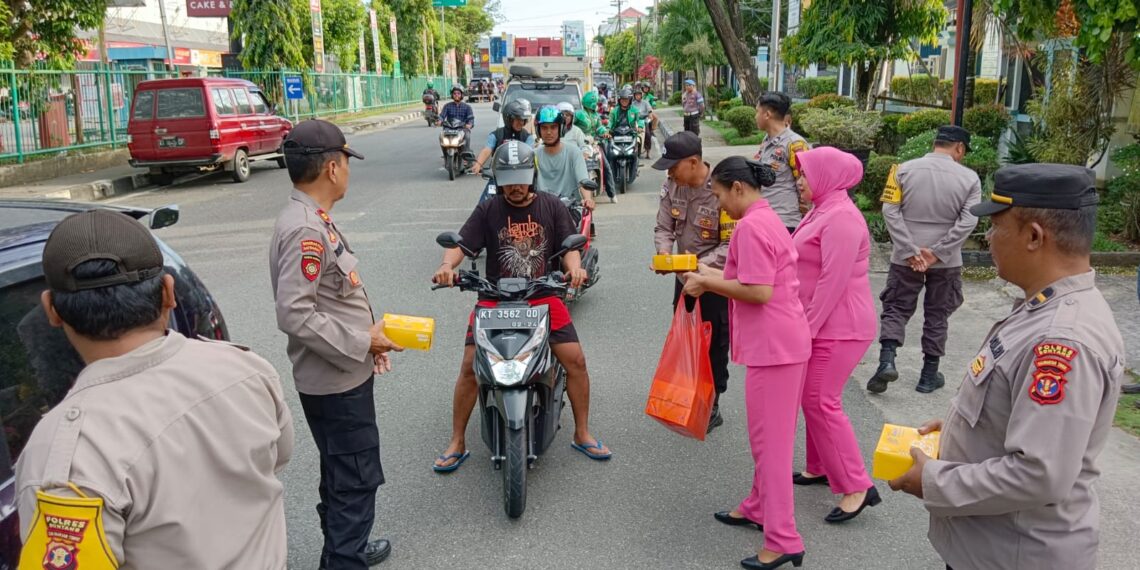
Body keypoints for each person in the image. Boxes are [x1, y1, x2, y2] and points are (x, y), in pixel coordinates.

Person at [16, 209, 294, 568]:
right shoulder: (247, 371)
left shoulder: (67, 457)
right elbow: (277, 457)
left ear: (51, 310)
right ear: (168, 292)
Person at [888, 164, 1123, 570]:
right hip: (993, 547)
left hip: (1016, 554)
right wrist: (967, 431)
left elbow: (1039, 474)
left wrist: (932, 480)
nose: (989, 239)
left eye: (996, 228)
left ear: (1034, 236)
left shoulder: (1061, 339)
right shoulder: (1042, 307)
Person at [431, 140, 611, 471]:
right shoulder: (489, 209)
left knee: (576, 360)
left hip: (541, 295)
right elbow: (463, 244)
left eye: (521, 178)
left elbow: (569, 246)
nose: (514, 186)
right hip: (494, 298)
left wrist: (574, 269)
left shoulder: (552, 206)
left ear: (532, 176)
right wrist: (447, 266)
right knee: (471, 366)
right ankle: (457, 440)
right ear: (498, 178)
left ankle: (582, 432)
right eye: (508, 179)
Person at [270, 120, 402, 569]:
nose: (348, 170)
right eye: (346, 160)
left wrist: (368, 342)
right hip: (336, 384)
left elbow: (331, 298)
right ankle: (344, 558)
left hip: (340, 373)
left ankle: (345, 547)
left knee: (341, 473)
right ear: (331, 167)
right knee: (356, 481)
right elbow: (295, 313)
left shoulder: (313, 219)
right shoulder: (305, 230)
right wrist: (361, 339)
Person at [682, 156, 809, 570]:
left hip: (775, 348)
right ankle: (758, 506)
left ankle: (783, 538)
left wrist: (705, 281)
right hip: (783, 344)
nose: (717, 204)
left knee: (769, 447)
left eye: (718, 194)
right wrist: (708, 269)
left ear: (737, 188)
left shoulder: (752, 225)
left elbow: (757, 291)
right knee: (771, 440)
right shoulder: (764, 216)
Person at [788, 147, 881, 521]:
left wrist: (806, 330)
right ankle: (821, 466)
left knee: (820, 400)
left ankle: (857, 485)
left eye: (805, 176)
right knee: (812, 397)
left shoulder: (842, 218)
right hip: (824, 322)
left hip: (840, 326)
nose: (798, 182)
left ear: (825, 178)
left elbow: (832, 282)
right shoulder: (823, 208)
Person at [867, 125, 982, 395]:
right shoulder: (970, 178)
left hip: (904, 258)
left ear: (935, 143)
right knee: (937, 313)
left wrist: (909, 249)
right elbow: (969, 220)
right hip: (946, 261)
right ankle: (928, 376)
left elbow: (890, 210)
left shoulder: (901, 170)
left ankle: (887, 361)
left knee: (895, 307)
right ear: (959, 148)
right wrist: (937, 252)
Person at [651, 132, 733, 432]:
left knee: (714, 340)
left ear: (694, 162)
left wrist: (698, 267)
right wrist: (663, 253)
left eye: (674, 166)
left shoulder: (721, 190)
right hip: (684, 276)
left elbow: (730, 245)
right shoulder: (673, 185)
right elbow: (664, 226)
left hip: (714, 279)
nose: (670, 172)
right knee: (685, 337)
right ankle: (687, 393)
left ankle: (714, 401)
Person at [754, 92, 810, 232]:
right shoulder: (767, 141)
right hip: (766, 217)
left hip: (785, 221)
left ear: (767, 115)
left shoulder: (794, 144)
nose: (755, 117)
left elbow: (806, 182)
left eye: (757, 112)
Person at [534, 105, 595, 211]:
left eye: (553, 127)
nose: (549, 132)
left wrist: (587, 199)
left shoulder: (574, 152)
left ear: (561, 128)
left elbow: (582, 180)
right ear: (538, 130)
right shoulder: (532, 155)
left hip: (570, 209)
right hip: (541, 210)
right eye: (544, 128)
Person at [471, 99, 535, 176]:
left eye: (523, 120)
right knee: (488, 188)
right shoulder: (495, 135)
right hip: (498, 173)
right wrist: (478, 164)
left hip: (520, 175)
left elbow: (529, 154)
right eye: (518, 119)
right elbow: (487, 149)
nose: (521, 122)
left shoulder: (528, 137)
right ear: (509, 119)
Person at [579, 91, 618, 202]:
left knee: (606, 166)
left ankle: (612, 194)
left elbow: (599, 128)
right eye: (595, 102)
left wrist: (605, 132)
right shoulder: (579, 114)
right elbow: (570, 124)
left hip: (594, 144)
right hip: (580, 145)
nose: (596, 104)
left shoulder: (596, 115)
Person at [440, 84, 476, 154]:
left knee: (467, 135)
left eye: (458, 93)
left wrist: (470, 124)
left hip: (462, 128)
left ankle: (466, 153)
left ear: (462, 95)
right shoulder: (447, 106)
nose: (456, 95)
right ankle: (445, 155)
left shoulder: (467, 107)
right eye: (454, 93)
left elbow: (471, 118)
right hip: (449, 128)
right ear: (452, 95)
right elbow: (441, 116)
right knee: (441, 136)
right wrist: (439, 121)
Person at [633, 88, 657, 159]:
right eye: (636, 95)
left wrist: (650, 115)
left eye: (639, 95)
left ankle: (648, 153)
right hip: (635, 121)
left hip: (644, 120)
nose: (637, 96)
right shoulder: (632, 104)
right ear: (634, 96)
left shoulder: (645, 102)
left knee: (647, 134)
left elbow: (650, 111)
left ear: (641, 95)